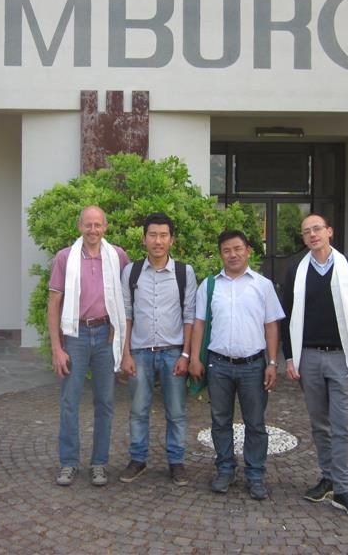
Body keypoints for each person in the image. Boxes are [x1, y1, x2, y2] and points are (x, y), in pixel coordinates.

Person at [281, 214, 348, 521]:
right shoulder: (296, 271)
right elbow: (287, 317)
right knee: (319, 424)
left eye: (317, 229)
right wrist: (289, 357)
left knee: (342, 424)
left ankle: (343, 490)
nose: (313, 235)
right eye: (306, 231)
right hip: (308, 358)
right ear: (303, 238)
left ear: (329, 232)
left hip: (342, 358)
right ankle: (328, 478)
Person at [189, 229, 284, 500]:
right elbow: (199, 324)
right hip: (218, 365)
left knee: (255, 423)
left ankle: (255, 475)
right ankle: (225, 469)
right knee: (220, 421)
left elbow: (271, 326)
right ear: (221, 254)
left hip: (253, 366)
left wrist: (272, 362)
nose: (232, 254)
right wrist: (195, 358)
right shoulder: (209, 286)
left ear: (248, 251)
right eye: (226, 250)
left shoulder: (262, 285)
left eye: (237, 249)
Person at [47, 205, 130, 487]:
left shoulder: (118, 256)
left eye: (98, 225)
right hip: (75, 335)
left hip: (106, 334)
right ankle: (69, 463)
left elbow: (126, 302)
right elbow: (54, 304)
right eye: (88, 225)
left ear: (105, 227)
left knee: (105, 402)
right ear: (79, 226)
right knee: (70, 402)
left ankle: (99, 463)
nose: (93, 230)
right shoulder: (64, 258)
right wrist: (57, 348)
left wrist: (123, 343)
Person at [118, 213, 197, 486]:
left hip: (173, 352)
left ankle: (176, 462)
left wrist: (186, 354)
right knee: (138, 410)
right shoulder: (131, 272)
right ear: (144, 239)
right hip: (140, 351)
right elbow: (126, 315)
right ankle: (138, 459)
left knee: (176, 412)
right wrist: (125, 353)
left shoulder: (184, 273)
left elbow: (189, 316)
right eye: (152, 235)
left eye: (163, 235)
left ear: (171, 240)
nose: (158, 241)